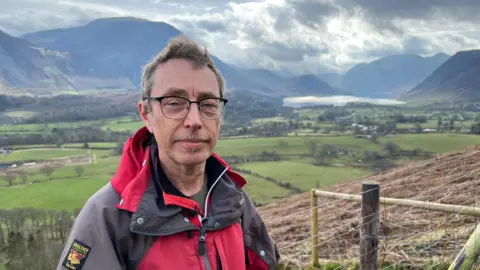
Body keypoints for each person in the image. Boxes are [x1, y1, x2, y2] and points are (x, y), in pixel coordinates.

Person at [56, 35, 280, 270]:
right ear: (146, 115)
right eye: (174, 102)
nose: (194, 120)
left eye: (208, 104)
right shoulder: (108, 217)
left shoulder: (234, 199)